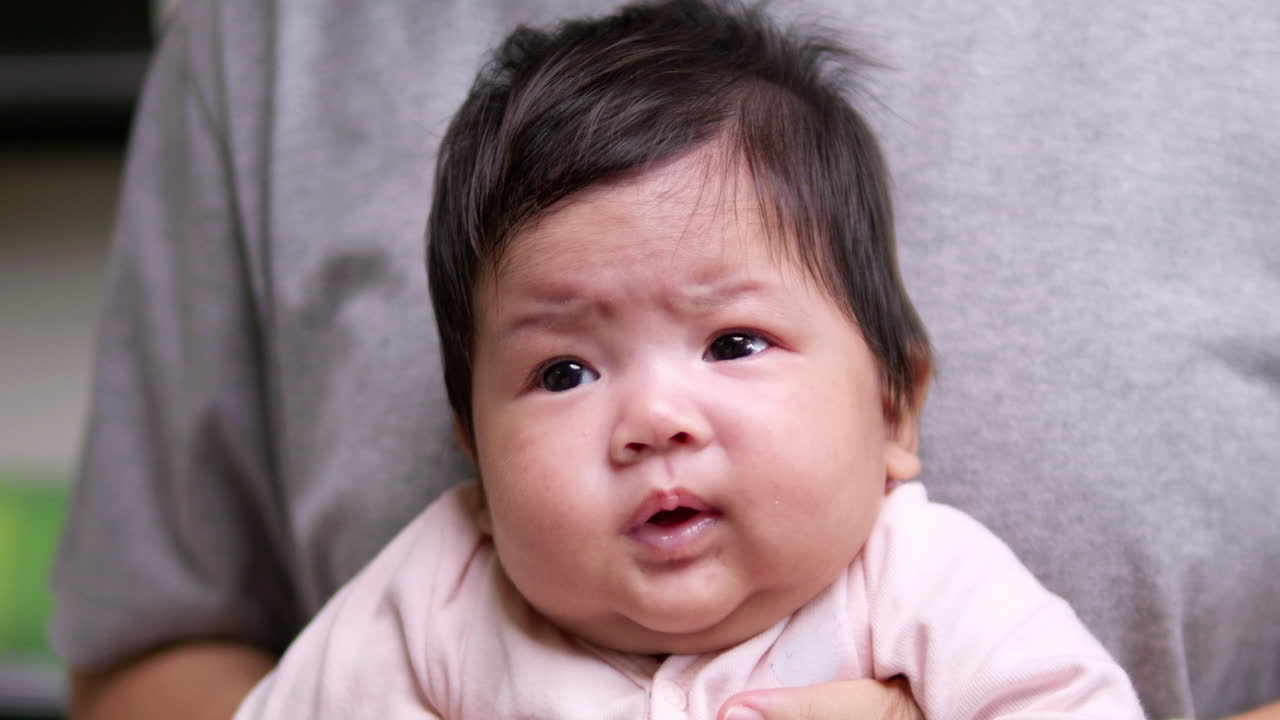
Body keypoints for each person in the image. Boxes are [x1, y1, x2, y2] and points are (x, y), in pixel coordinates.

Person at [49, 0, 1279, 718]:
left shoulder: (923, 583)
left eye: (733, 343)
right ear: (470, 443)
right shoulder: (433, 596)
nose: (650, 417)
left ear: (895, 407)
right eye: (564, 373)